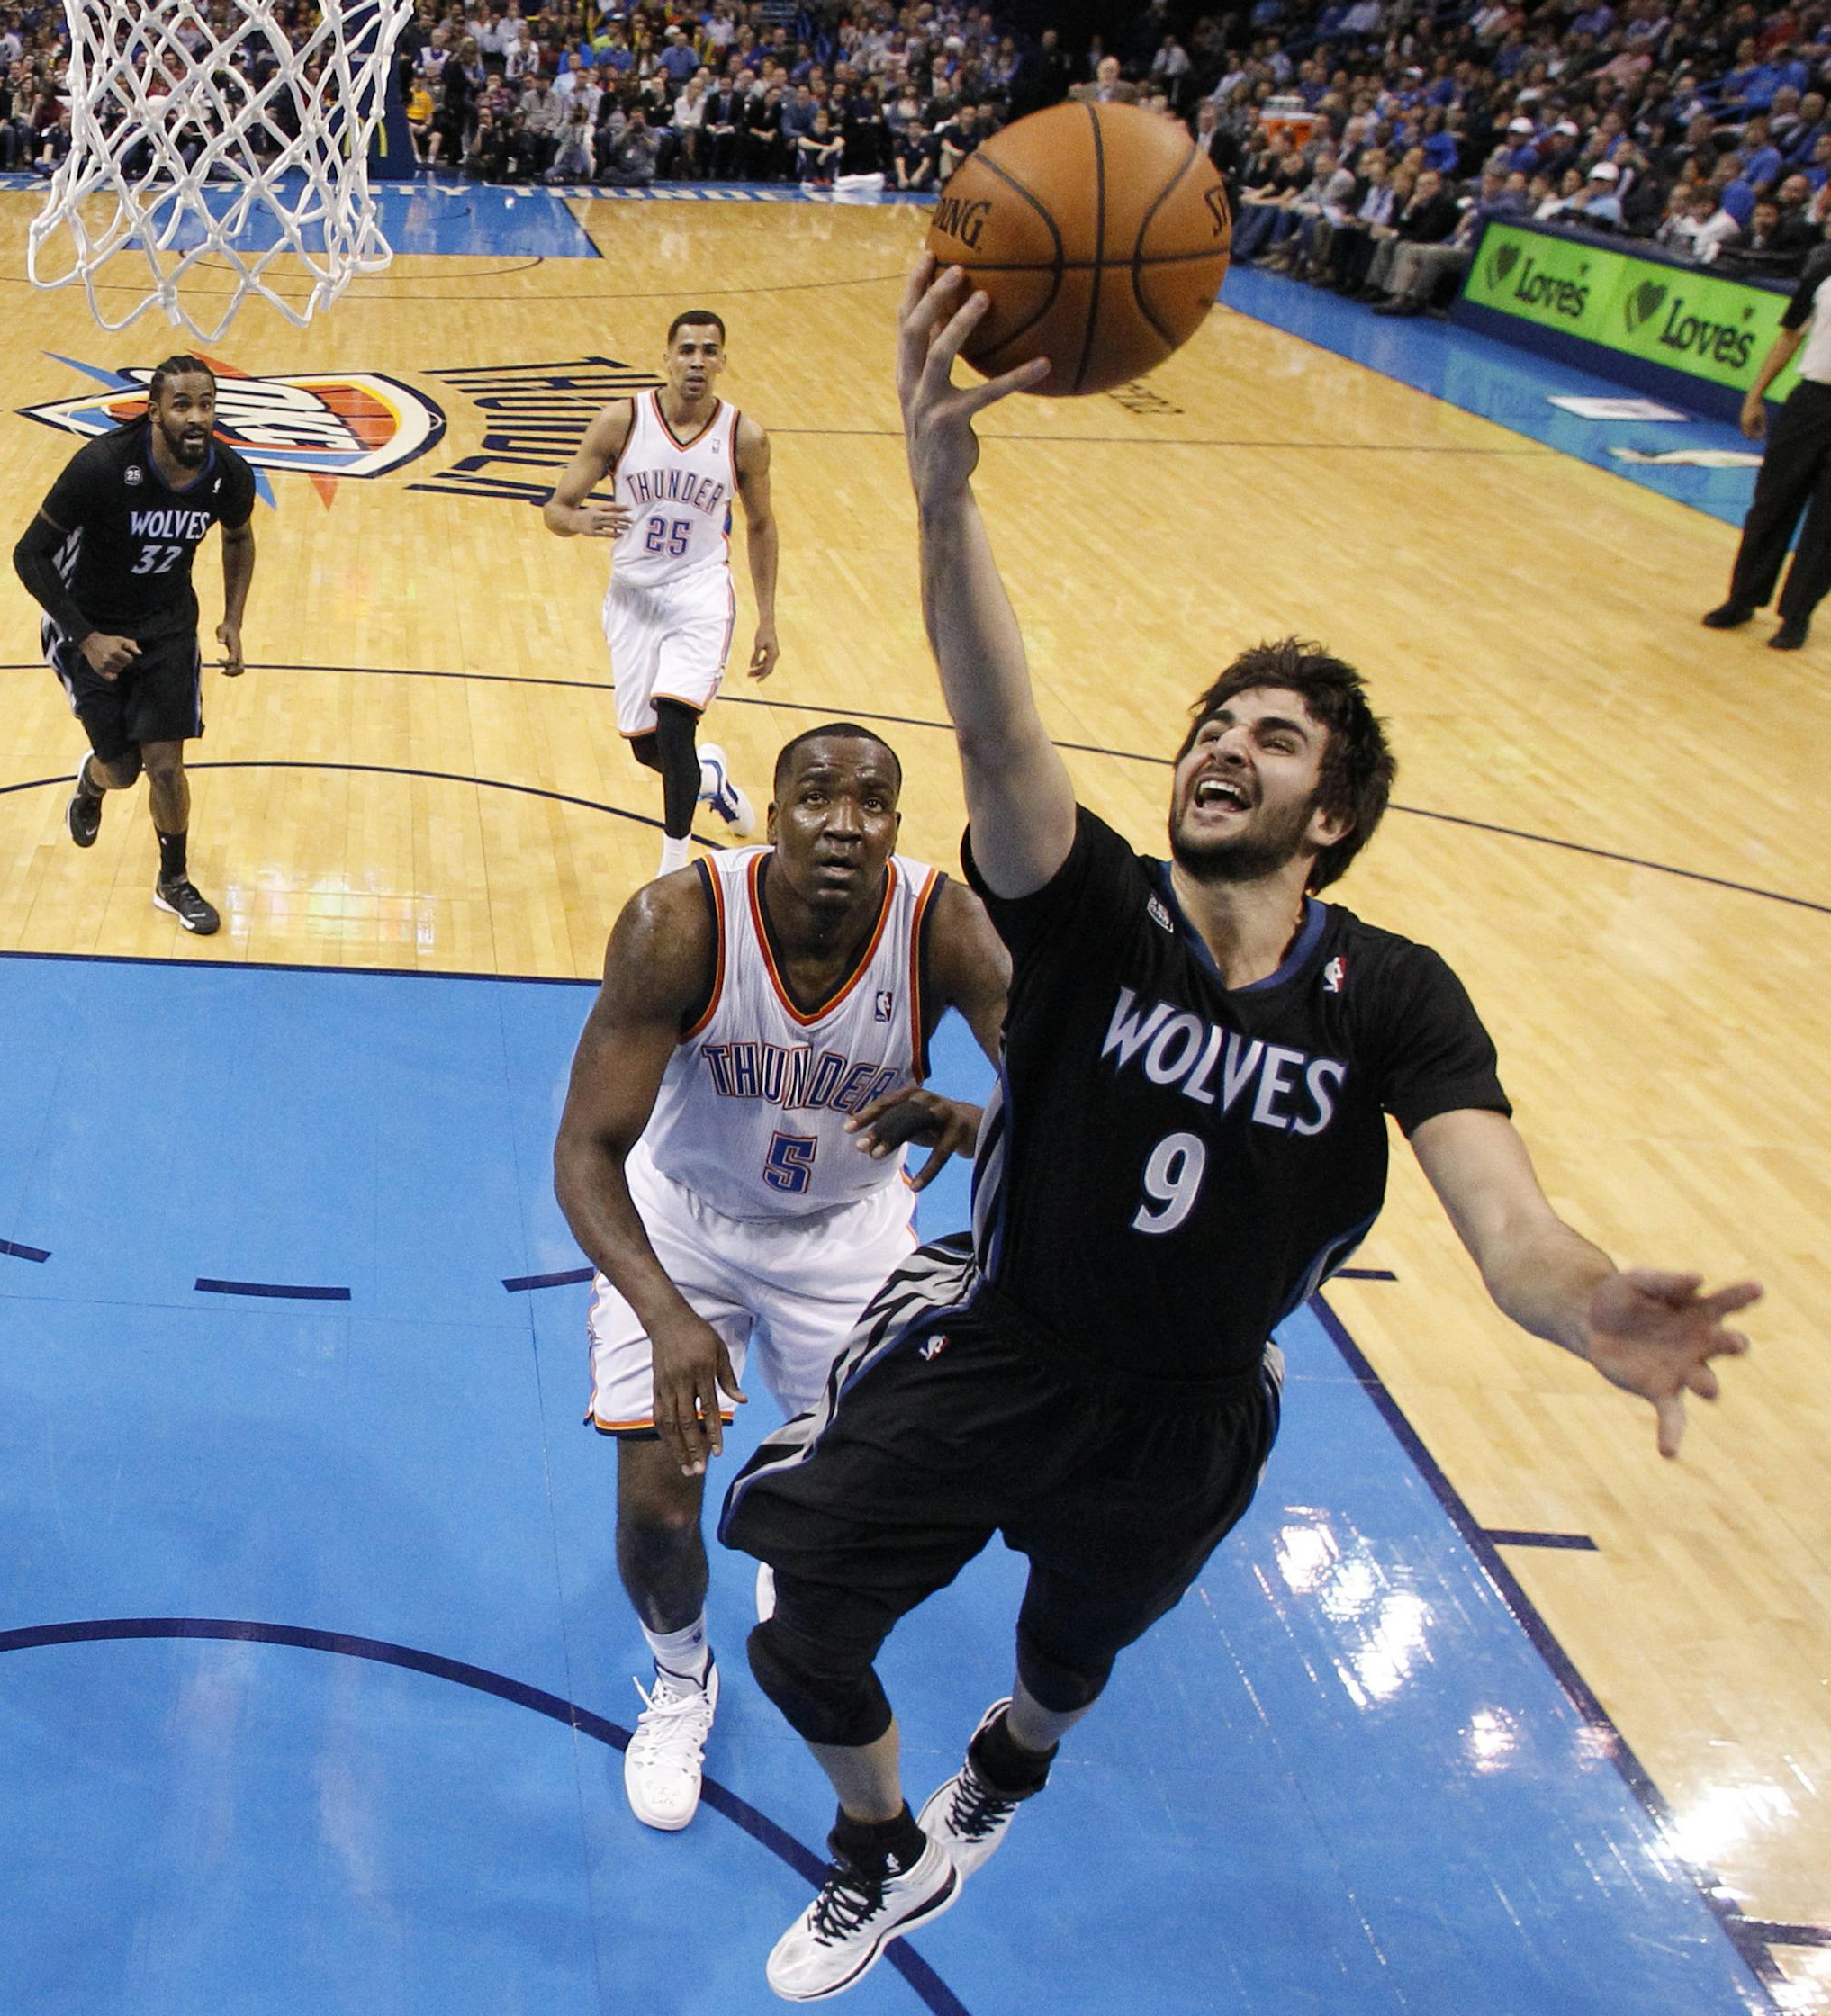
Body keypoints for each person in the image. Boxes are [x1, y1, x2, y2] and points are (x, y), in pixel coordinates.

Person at [718, 258, 1763, 2002]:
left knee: (1071, 1653)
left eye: (1272, 739)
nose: (1224, 745)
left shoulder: (1399, 996)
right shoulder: (1090, 904)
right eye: (1213, 723)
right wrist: (942, 487)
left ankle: (1010, 1766)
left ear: (1329, 809)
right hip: (1000, 1343)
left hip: (1191, 1413)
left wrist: (1587, 1305)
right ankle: (878, 1847)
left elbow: (1508, 1223)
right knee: (807, 1625)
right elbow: (994, 718)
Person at [553, 722, 1010, 1832]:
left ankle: (786, 1546)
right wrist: (665, 1313)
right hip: (686, 1221)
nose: (845, 822)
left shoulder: (945, 926)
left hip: (847, 1231)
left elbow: (1077, 1101)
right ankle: (679, 1678)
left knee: (845, 1506)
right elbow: (582, 1151)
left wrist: (977, 1115)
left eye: (873, 803)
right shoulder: (678, 923)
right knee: (659, 1504)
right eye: (817, 796)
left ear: (899, 825)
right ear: (770, 811)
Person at [11, 354, 256, 934]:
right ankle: (91, 782)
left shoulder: (229, 473)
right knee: (122, 770)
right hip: (88, 624)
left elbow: (239, 538)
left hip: (168, 625)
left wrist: (233, 618)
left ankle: (173, 881)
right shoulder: (100, 466)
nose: (198, 417)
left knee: (166, 765)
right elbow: (29, 555)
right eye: (182, 405)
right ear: (153, 413)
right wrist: (87, 637)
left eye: (207, 404)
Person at [544, 310, 780, 877]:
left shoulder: (745, 437)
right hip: (632, 597)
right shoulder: (620, 423)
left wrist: (767, 619)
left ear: (723, 361)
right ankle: (712, 780)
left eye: (710, 351)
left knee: (676, 724)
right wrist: (577, 522)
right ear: (667, 358)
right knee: (650, 749)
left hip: (699, 593)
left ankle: (671, 865)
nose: (698, 361)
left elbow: (762, 525)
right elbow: (555, 508)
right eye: (688, 350)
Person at [1703, 240, 1831, 649]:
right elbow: (1789, 336)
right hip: (1812, 399)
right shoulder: (1822, 270)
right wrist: (1755, 394)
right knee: (1772, 502)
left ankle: (1797, 615)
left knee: (1827, 523)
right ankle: (1742, 599)